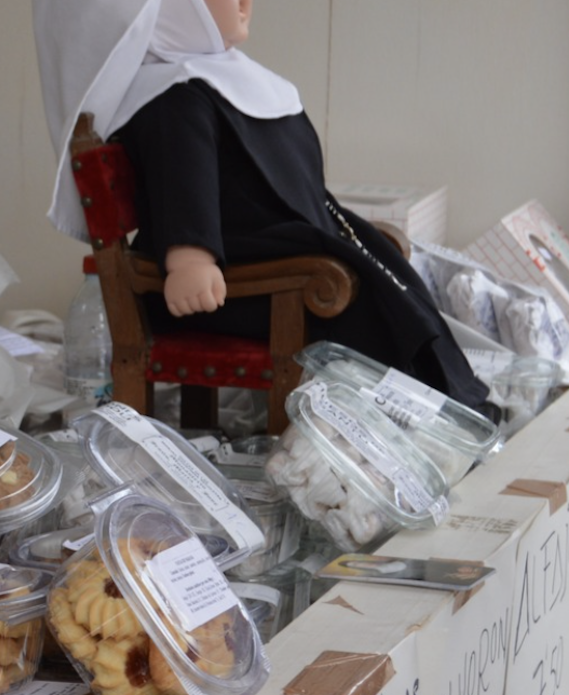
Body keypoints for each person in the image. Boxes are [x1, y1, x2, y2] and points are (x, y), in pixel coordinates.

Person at [33, 0, 495, 417]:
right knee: (367, 307)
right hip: (238, 285)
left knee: (389, 272)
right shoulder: (173, 101)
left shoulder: (221, 79)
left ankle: (452, 403)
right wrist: (191, 258)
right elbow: (182, 187)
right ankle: (415, 421)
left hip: (282, 252)